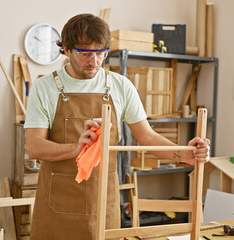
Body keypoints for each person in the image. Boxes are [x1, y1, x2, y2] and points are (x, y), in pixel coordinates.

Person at [24, 13, 210, 240]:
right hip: (56, 209)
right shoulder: (45, 88)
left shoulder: (121, 86)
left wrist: (183, 154)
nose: (94, 62)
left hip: (104, 204)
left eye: (100, 53)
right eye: (84, 53)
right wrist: (76, 148)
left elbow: (148, 138)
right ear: (66, 48)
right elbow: (34, 147)